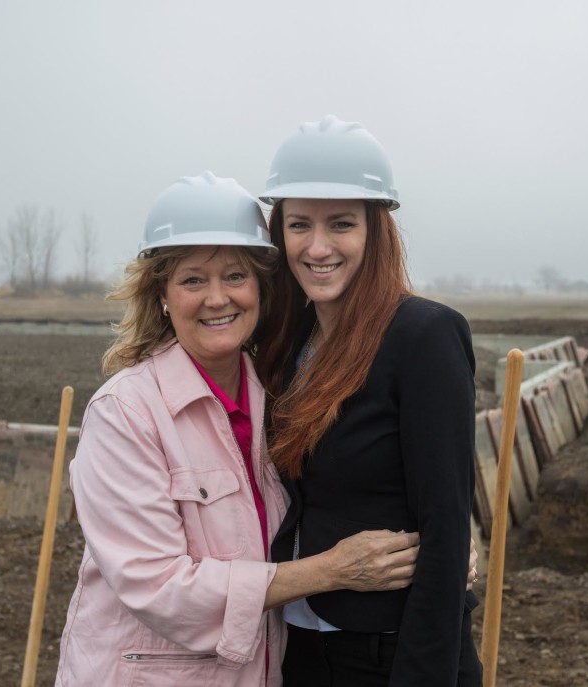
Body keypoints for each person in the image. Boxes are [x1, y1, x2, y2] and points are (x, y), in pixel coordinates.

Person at [55, 171, 424, 687]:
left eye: (235, 276)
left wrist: (437, 550)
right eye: (192, 280)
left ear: (261, 287)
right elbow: (157, 584)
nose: (217, 298)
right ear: (161, 294)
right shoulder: (127, 413)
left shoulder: (280, 397)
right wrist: (330, 571)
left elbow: (335, 500)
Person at [255, 116, 483, 685]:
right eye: (299, 224)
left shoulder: (422, 336)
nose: (318, 246)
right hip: (300, 647)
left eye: (341, 224)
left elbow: (447, 525)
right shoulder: (291, 343)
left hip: (390, 654)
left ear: (375, 230)